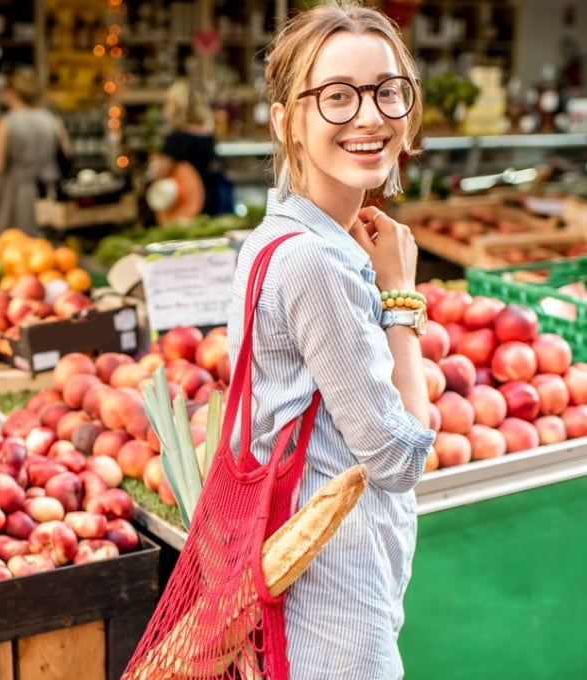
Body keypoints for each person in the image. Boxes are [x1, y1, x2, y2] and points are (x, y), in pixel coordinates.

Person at [226, 2, 434, 678]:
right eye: (337, 98)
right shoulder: (317, 261)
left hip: (310, 596)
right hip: (333, 614)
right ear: (287, 120)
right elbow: (401, 457)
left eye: (387, 91)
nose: (370, 117)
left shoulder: (279, 241)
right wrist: (401, 295)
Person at [0, 66, 71, 235]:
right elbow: (67, 153)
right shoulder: (51, 119)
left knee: (18, 245)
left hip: (17, 194)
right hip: (49, 191)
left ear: (12, 92)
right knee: (48, 244)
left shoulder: (6, 122)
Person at [147, 78, 230, 217]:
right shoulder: (208, 135)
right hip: (210, 202)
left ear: (175, 106)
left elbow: (162, 171)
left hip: (186, 206)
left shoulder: (177, 138)